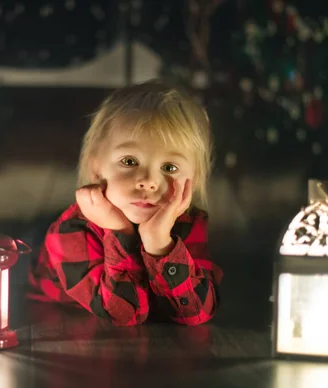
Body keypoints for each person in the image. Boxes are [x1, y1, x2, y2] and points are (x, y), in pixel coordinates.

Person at [28, 80, 223, 326]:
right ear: (96, 167)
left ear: (191, 181)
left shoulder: (188, 223)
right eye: (129, 161)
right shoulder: (71, 232)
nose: (149, 181)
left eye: (170, 167)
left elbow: (197, 313)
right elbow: (125, 314)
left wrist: (161, 244)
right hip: (55, 316)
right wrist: (119, 232)